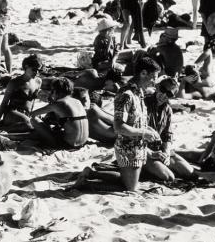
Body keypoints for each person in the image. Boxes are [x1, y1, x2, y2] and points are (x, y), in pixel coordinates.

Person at [75, 56, 162, 192]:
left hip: (138, 147)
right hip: (128, 148)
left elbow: (136, 121)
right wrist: (144, 133)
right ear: (143, 73)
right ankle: (86, 183)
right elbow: (119, 127)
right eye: (153, 77)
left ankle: (91, 174)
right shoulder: (126, 94)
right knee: (130, 188)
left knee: (128, 183)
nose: (154, 82)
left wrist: (149, 134)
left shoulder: (139, 92)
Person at [143, 77, 195, 183]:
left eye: (169, 94)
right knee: (168, 177)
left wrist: (166, 153)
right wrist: (151, 153)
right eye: (163, 90)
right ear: (157, 87)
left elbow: (167, 135)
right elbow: (134, 134)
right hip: (141, 150)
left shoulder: (167, 109)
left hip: (159, 150)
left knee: (190, 173)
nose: (164, 95)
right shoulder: (143, 104)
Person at [28, 77, 89, 149]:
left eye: (52, 90)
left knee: (33, 120)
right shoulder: (77, 101)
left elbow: (32, 114)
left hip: (68, 144)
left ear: (55, 90)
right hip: (82, 143)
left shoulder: (58, 104)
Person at [0, 54, 42, 131]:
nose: (36, 72)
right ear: (26, 66)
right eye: (34, 69)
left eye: (38, 70)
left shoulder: (38, 82)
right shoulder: (14, 82)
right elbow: (4, 102)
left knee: (40, 124)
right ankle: (4, 128)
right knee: (29, 124)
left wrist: (30, 114)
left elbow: (32, 102)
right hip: (12, 112)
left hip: (26, 114)